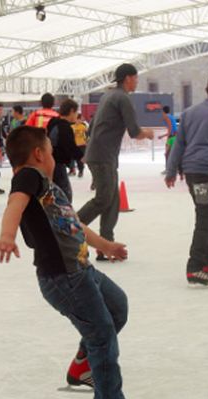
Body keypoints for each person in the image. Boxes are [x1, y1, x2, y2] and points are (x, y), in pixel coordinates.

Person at [0, 125, 161, 399]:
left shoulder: (49, 189)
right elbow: (14, 203)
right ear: (39, 154)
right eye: (51, 153)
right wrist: (7, 235)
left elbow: (75, 224)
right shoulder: (29, 177)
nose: (54, 159)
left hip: (80, 269)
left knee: (117, 307)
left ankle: (83, 365)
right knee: (102, 336)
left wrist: (104, 245)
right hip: (64, 278)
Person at [76, 63, 154, 260]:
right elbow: (135, 131)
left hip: (102, 154)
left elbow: (92, 125)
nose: (137, 81)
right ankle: (71, 228)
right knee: (104, 198)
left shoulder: (108, 96)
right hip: (103, 156)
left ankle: (106, 245)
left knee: (112, 199)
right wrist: (148, 133)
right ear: (128, 78)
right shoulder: (122, 98)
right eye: (135, 78)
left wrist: (90, 150)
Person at [165, 73, 208, 286]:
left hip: (192, 172)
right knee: (205, 216)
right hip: (207, 173)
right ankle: (195, 267)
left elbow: (178, 144)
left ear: (207, 90)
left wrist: (170, 171)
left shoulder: (188, 113)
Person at [46, 98, 81, 202]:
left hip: (48, 162)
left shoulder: (53, 122)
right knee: (65, 194)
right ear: (71, 111)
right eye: (76, 112)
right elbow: (69, 146)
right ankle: (63, 216)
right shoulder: (64, 126)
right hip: (57, 163)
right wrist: (83, 157)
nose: (76, 115)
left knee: (54, 191)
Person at [71, 113, 88, 177]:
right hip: (75, 145)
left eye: (79, 119)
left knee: (80, 159)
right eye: (77, 119)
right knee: (74, 159)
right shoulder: (72, 127)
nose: (78, 121)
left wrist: (87, 142)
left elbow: (87, 135)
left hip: (82, 145)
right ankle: (73, 170)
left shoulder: (84, 127)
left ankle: (81, 171)